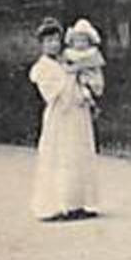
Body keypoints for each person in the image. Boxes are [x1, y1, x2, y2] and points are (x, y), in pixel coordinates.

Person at [28, 17, 99, 221]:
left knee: (78, 154)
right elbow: (54, 93)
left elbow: (85, 81)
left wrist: (84, 84)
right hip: (60, 115)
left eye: (56, 40)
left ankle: (79, 203)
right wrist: (71, 75)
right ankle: (57, 204)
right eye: (48, 41)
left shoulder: (68, 60)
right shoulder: (42, 68)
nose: (53, 44)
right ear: (41, 44)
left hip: (77, 113)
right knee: (60, 157)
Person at [61, 18, 106, 116]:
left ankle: (92, 105)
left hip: (89, 76)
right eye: (77, 41)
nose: (80, 44)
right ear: (72, 42)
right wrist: (67, 67)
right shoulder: (69, 53)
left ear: (89, 42)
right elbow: (64, 63)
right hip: (75, 77)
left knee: (87, 90)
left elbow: (92, 65)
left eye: (84, 41)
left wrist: (78, 68)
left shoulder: (91, 53)